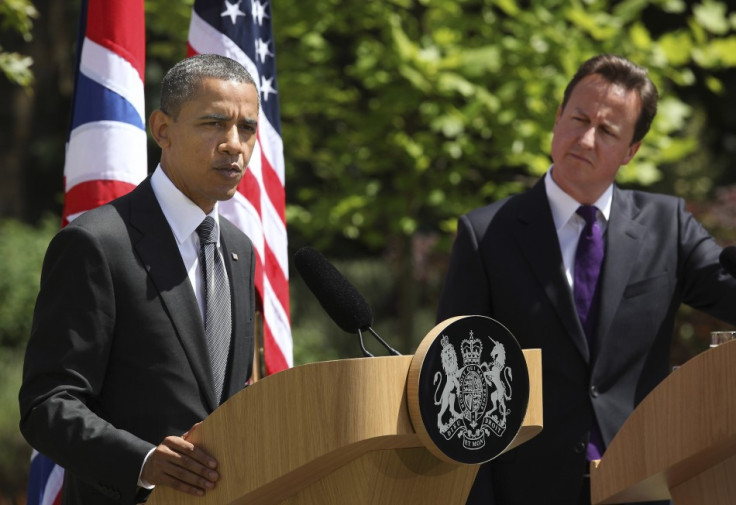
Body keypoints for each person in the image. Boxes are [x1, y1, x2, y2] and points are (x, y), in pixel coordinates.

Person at [437, 53, 736, 504]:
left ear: (631, 151)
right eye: (578, 119)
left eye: (608, 131)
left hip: (641, 487)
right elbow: (458, 389)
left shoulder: (667, 226)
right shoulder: (486, 235)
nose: (586, 138)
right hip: (527, 491)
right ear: (558, 118)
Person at [19, 54, 259, 504]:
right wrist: (144, 462)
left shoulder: (238, 249)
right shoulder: (98, 243)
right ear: (162, 129)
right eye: (214, 124)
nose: (234, 144)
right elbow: (47, 405)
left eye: (247, 128)